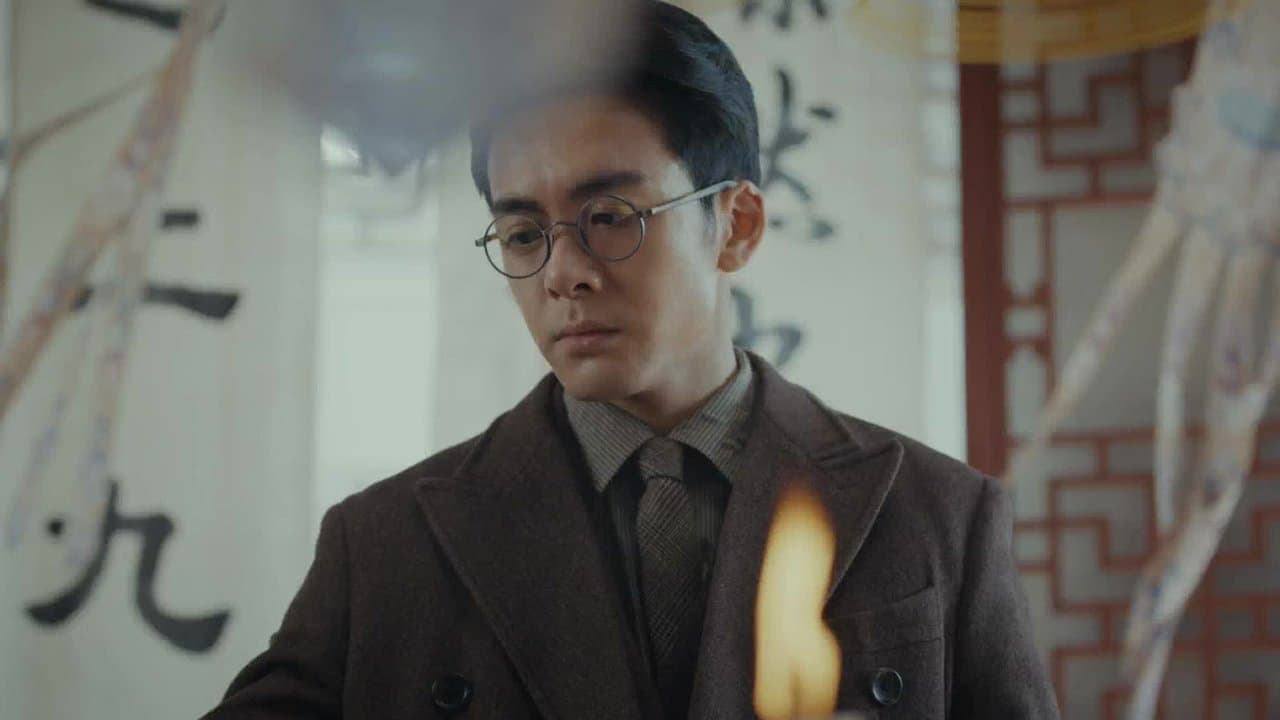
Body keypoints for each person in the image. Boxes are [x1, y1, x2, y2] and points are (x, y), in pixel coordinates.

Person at [204, 2, 1058, 718]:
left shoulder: (939, 519)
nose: (562, 273)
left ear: (736, 225)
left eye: (610, 217)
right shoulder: (385, 549)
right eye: (523, 234)